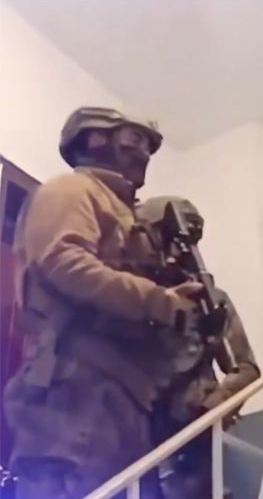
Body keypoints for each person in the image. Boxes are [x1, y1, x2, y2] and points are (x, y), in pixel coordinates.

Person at [3, 107, 202, 499]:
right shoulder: (72, 190)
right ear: (94, 138)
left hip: (125, 399)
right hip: (76, 391)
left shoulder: (126, 216)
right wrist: (159, 301)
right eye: (135, 139)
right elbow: (64, 261)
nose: (145, 153)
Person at [133, 195, 260, 499]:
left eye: (188, 241)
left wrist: (215, 406)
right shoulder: (132, 297)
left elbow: (245, 368)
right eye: (170, 239)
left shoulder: (211, 300)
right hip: (143, 436)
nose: (180, 251)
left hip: (198, 436)